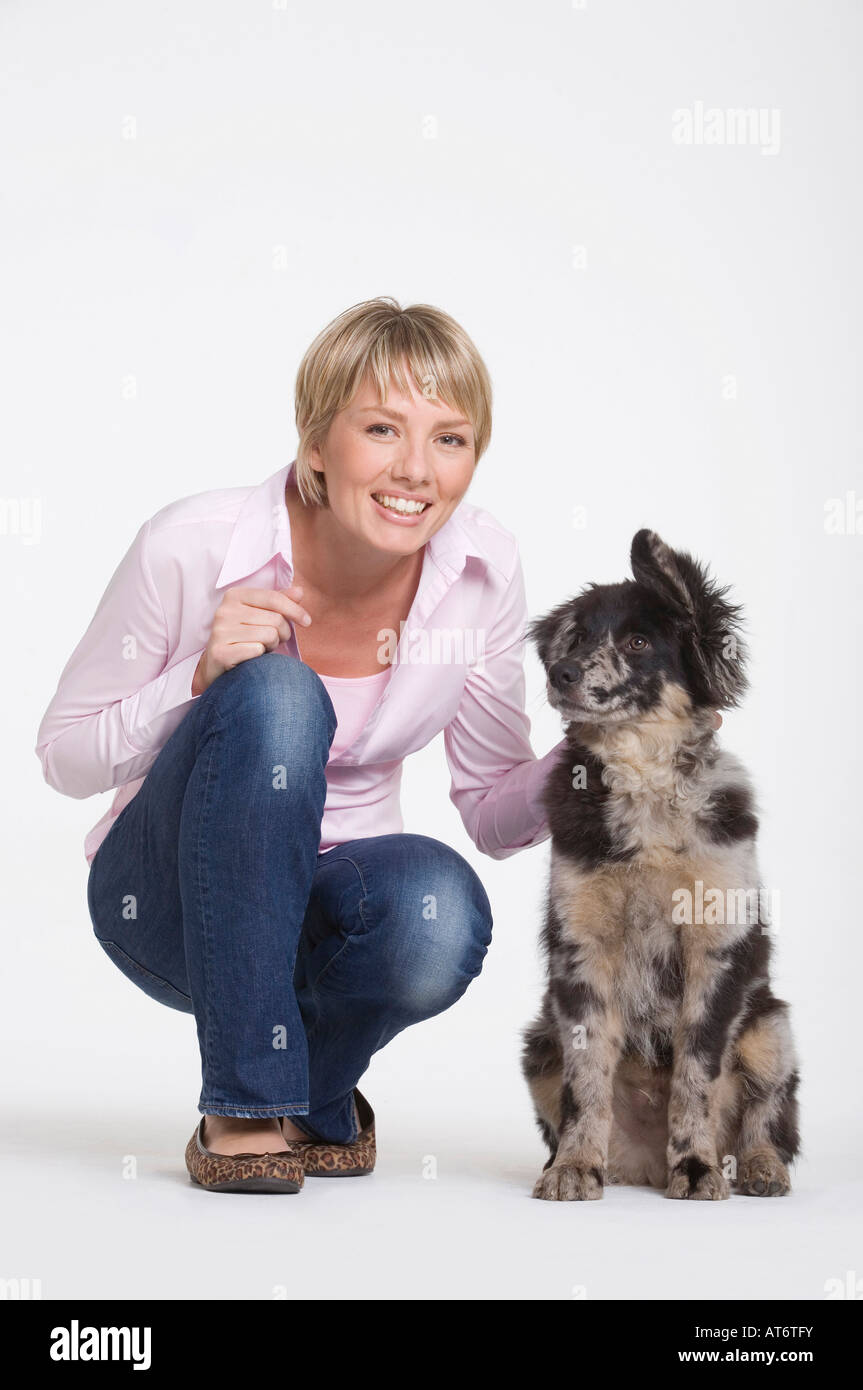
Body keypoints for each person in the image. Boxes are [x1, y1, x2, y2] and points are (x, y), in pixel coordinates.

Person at [34, 296, 570, 1193]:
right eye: (381, 429)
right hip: (168, 900)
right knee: (281, 693)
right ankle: (245, 1105)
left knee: (439, 910)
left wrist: (597, 753)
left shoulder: (483, 570)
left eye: (450, 439)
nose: (415, 470)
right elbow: (64, 757)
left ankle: (310, 1093)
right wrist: (196, 679)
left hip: (324, 920)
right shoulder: (191, 545)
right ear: (315, 442)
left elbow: (490, 807)